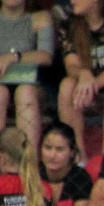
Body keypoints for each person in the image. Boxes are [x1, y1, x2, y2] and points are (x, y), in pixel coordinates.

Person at [57, 0, 104, 162]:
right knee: (67, 84)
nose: (71, 1)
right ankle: (77, 157)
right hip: (81, 90)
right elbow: (71, 66)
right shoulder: (68, 24)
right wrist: (84, 74)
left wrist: (92, 85)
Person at [0, 0, 55, 148]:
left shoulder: (40, 17)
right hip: (1, 83)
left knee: (25, 93)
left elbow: (46, 56)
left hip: (32, 83)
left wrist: (13, 57)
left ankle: (27, 162)